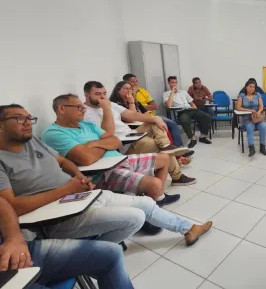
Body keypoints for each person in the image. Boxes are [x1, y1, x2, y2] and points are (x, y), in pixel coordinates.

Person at [0, 104, 212, 243]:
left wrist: (78, 178)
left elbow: (65, 161)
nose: (28, 122)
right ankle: (99, 246)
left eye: (29, 118)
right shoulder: (10, 156)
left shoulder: (33, 143)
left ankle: (187, 228)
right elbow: (14, 207)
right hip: (58, 215)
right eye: (19, 119)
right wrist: (68, 188)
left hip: (78, 194)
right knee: (136, 216)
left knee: (147, 204)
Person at [42, 94, 180, 207]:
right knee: (154, 184)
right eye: (78, 107)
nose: (83, 110)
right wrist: (104, 144)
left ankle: (155, 201)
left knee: (164, 158)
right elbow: (87, 158)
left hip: (119, 159)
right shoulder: (53, 133)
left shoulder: (86, 124)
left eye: (82, 107)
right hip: (103, 172)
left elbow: (115, 141)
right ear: (61, 109)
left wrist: (93, 144)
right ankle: (150, 202)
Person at [0, 195, 134, 288]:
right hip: (6, 279)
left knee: (111, 253)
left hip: (17, 251)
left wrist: (14, 238)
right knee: (134, 216)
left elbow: (2, 203)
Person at [82, 82, 196, 186]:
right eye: (98, 94)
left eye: (104, 93)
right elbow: (107, 134)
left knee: (155, 120)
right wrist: (106, 109)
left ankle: (166, 146)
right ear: (87, 95)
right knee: (157, 146)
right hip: (122, 145)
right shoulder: (85, 113)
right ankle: (177, 176)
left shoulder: (110, 104)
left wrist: (154, 119)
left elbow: (132, 115)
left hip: (131, 134)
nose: (102, 97)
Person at [110, 81, 193, 166]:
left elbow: (147, 113)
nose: (129, 91)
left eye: (130, 89)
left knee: (163, 126)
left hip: (142, 123)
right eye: (126, 88)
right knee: (159, 124)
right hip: (131, 130)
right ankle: (177, 156)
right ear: (118, 90)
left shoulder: (135, 100)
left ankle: (174, 152)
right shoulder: (115, 103)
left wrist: (140, 115)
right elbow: (131, 119)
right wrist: (131, 104)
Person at [124, 73, 186, 149]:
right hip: (141, 120)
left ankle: (179, 146)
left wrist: (142, 108)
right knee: (161, 126)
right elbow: (132, 114)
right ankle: (171, 149)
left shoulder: (143, 91)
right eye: (132, 82)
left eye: (136, 81)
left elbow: (154, 106)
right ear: (126, 84)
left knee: (172, 123)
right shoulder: (127, 96)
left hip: (151, 116)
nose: (135, 83)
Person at [163, 76, 212, 148]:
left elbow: (191, 102)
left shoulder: (183, 92)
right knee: (184, 120)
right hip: (182, 111)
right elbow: (169, 105)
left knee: (207, 117)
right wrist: (172, 93)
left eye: (175, 82)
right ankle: (192, 138)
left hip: (191, 109)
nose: (174, 84)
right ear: (169, 83)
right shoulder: (166, 94)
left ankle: (203, 137)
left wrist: (195, 108)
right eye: (172, 82)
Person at [236, 79, 266, 157]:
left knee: (263, 126)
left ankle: (262, 147)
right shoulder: (242, 95)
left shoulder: (258, 95)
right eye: (250, 86)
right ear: (246, 87)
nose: (252, 88)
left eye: (253, 87)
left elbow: (261, 106)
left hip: (257, 117)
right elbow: (238, 107)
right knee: (250, 127)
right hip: (247, 117)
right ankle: (251, 148)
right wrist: (250, 110)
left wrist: (258, 112)